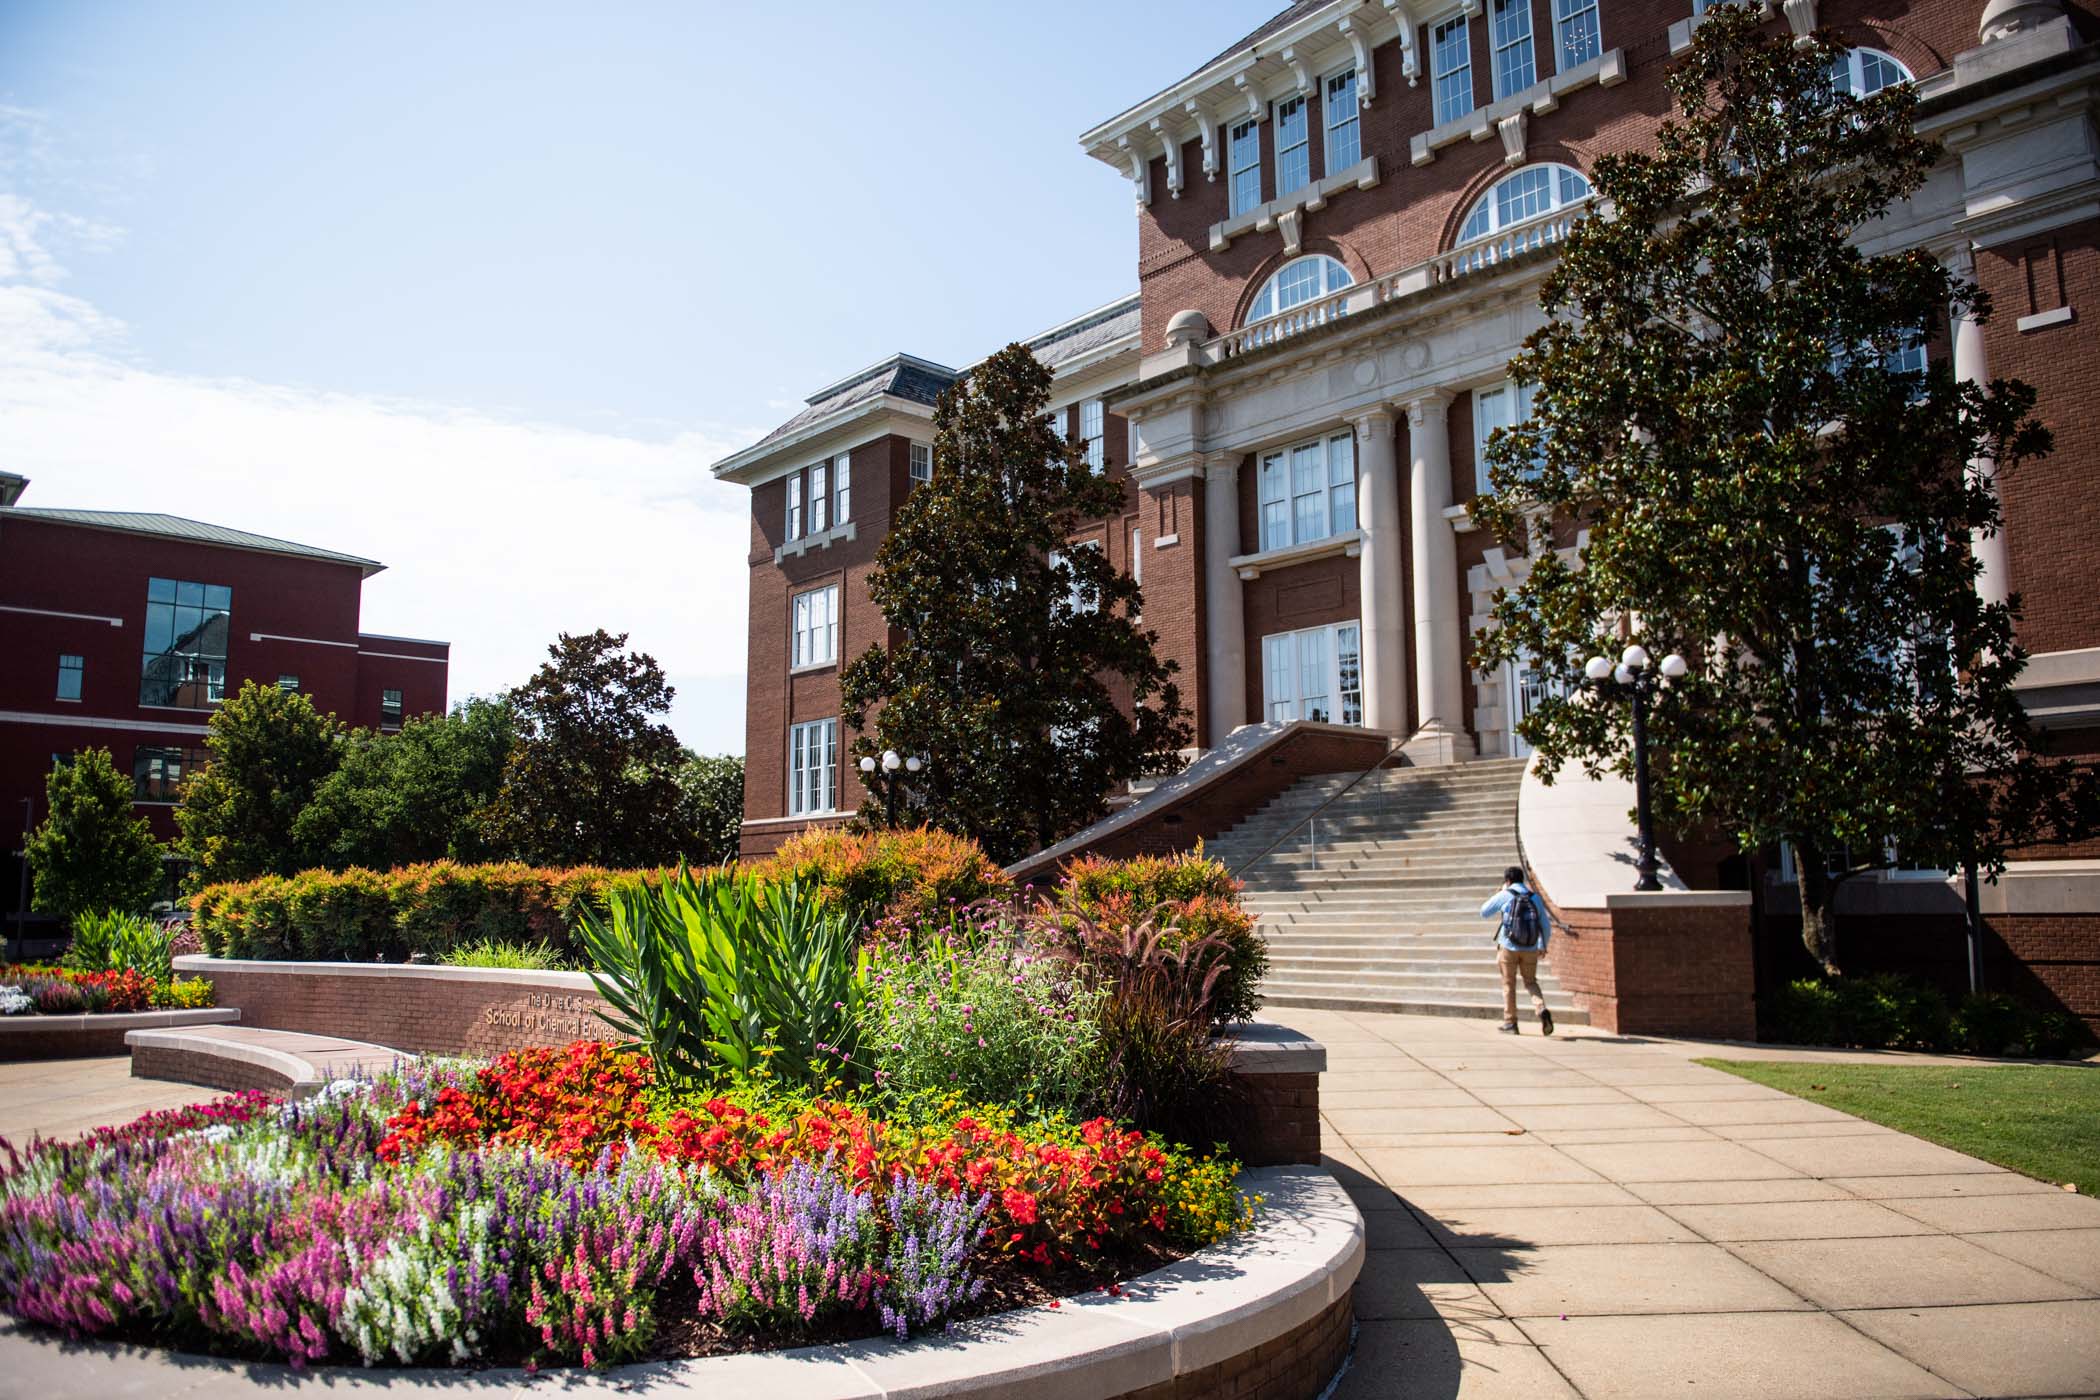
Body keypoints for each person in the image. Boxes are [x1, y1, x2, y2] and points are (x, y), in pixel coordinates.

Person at [1480, 865, 1553, 1035]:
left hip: (1508, 946)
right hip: (1530, 947)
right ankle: (1541, 1008)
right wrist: (1542, 946)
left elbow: (1484, 912)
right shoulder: (1534, 897)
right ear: (1523, 880)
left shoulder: (1506, 894)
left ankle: (1511, 1022)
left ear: (1508, 880)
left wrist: (1500, 892)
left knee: (1508, 983)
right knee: (1531, 982)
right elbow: (1545, 925)